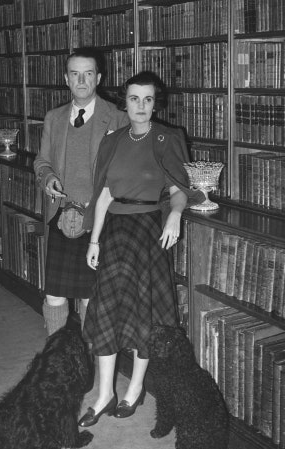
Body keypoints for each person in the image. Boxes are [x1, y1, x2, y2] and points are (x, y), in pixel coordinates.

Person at [78, 71, 205, 427]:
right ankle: (104, 394)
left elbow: (180, 187)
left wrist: (174, 216)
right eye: (134, 98)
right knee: (106, 308)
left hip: (148, 228)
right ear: (124, 101)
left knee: (144, 310)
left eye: (148, 99)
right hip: (115, 230)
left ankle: (134, 388)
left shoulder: (167, 138)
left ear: (155, 102)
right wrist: (93, 240)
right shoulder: (113, 141)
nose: (141, 106)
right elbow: (103, 195)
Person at [34, 47, 128, 335]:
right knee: (54, 295)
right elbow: (42, 160)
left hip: (98, 221)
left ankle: (88, 359)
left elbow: (124, 171)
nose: (82, 80)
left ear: (98, 78)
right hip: (61, 217)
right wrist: (48, 177)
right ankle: (56, 356)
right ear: (66, 79)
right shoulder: (54, 117)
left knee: (91, 295)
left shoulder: (116, 118)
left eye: (88, 74)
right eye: (75, 74)